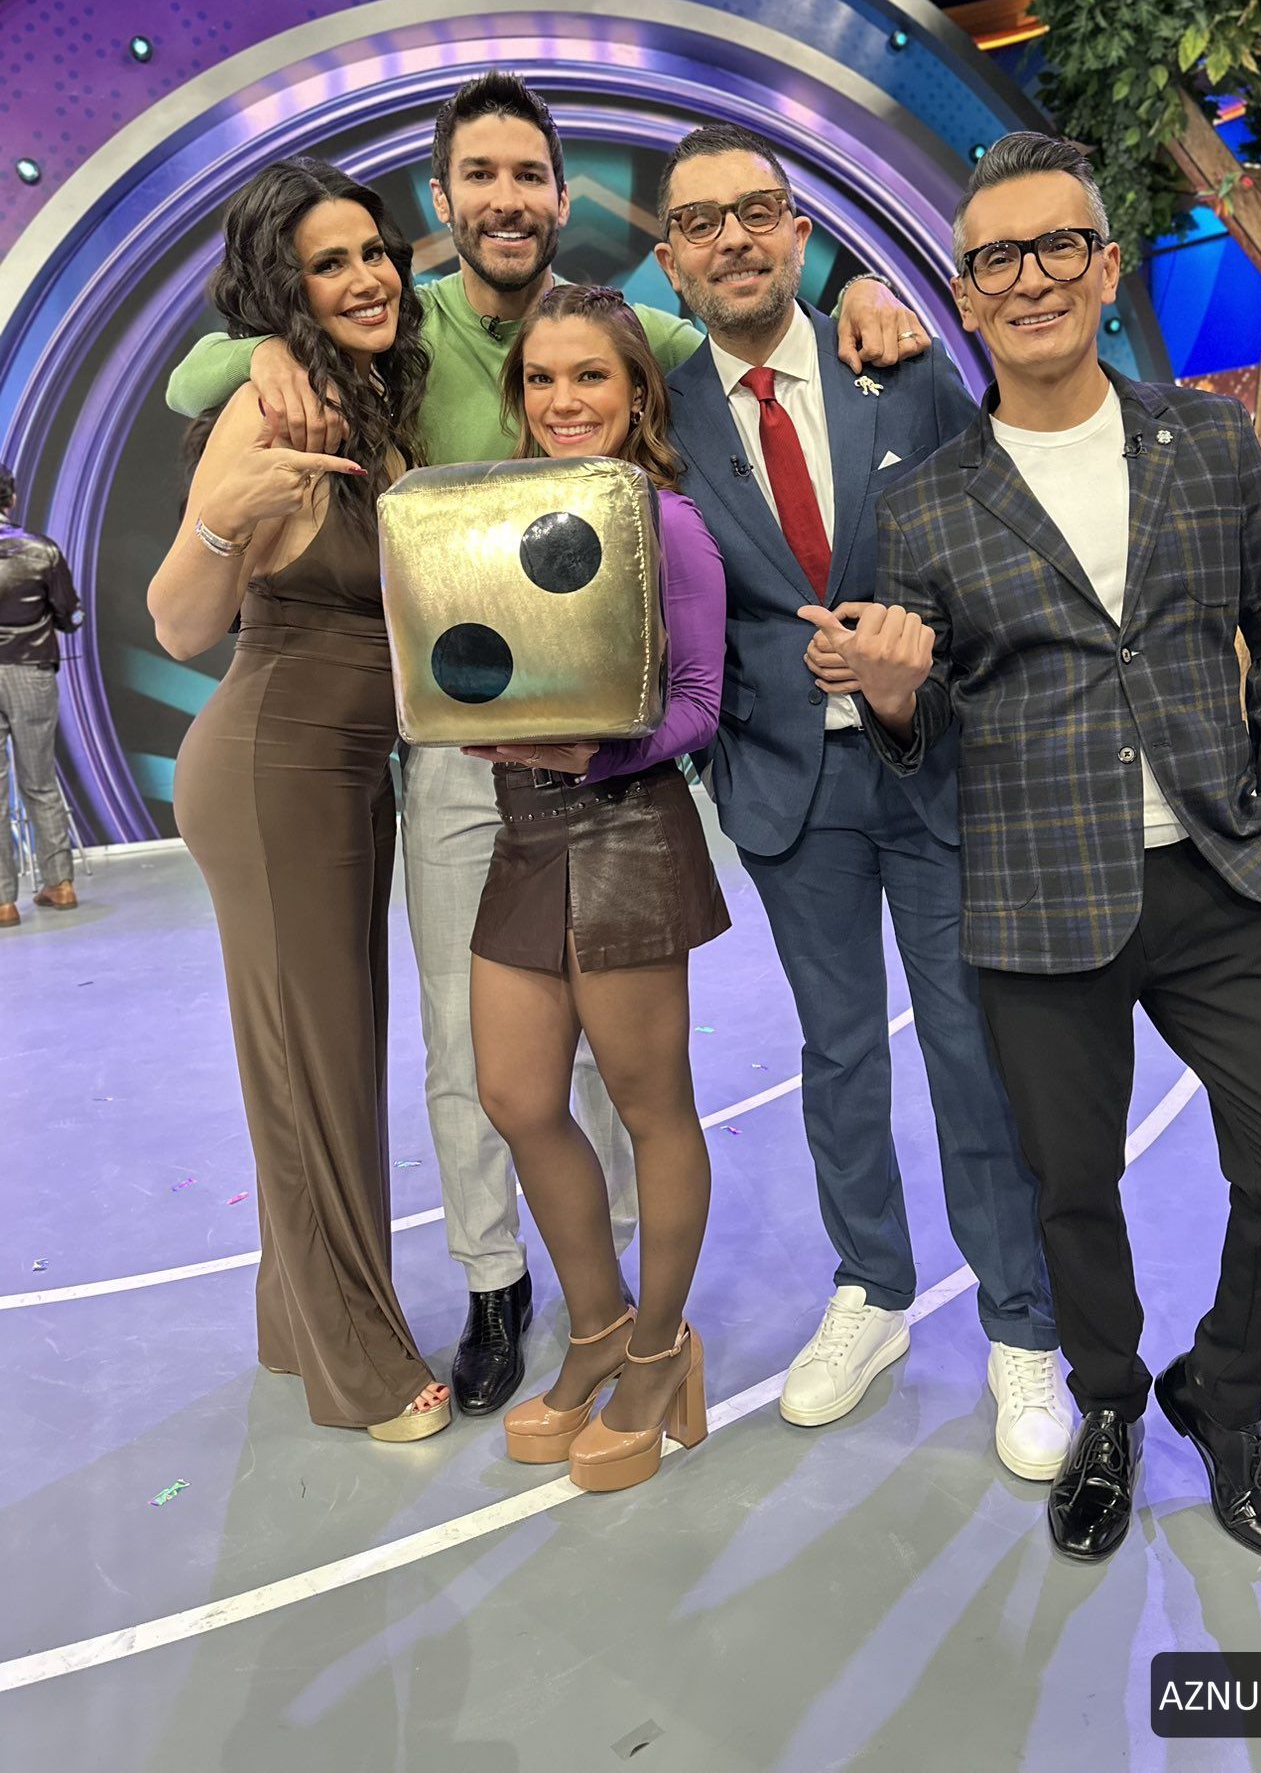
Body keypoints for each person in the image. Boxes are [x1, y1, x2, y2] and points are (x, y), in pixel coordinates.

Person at [165, 74, 926, 1420]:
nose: (506, 198)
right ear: (444, 201)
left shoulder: (623, 325)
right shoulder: (401, 325)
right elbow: (195, 372)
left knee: (620, 1073)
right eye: (481, 176)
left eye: (529, 174)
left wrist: (862, 291)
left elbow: (757, 320)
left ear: (561, 198)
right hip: (460, 762)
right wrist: (265, 351)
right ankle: (499, 1283)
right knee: (475, 1056)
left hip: (613, 769)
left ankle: (623, 1303)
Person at [811, 131, 1261, 1565]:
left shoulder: (1210, 441)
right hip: (1037, 896)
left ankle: (1222, 1397)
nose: (1032, 277)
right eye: (997, 258)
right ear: (965, 296)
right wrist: (893, 697)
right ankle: (1108, 1403)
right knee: (1070, 1187)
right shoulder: (924, 503)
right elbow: (922, 730)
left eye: (1060, 245)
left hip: (1228, 875)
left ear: (1107, 269)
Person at [653, 123, 1069, 1481]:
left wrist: (919, 666)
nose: (733, 239)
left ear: (800, 233)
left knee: (972, 1052)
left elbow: (994, 563)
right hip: (787, 786)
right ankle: (873, 1289)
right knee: (837, 1053)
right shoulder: (663, 415)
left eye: (758, 210)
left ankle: (1021, 1326)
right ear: (670, 257)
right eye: (701, 221)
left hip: (938, 766)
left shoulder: (900, 367)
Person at [148, 157, 452, 1441]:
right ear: (287, 289)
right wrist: (224, 518)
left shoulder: (373, 399)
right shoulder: (264, 408)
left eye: (373, 251)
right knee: (311, 1070)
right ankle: (362, 1367)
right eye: (331, 263)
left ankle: (297, 1318)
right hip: (273, 766)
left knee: (329, 1054)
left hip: (346, 771)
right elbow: (177, 623)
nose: (367, 276)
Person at [467, 285, 727, 1493]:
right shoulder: (489, 518)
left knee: (649, 1105)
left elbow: (702, 701)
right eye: (542, 377)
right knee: (516, 1094)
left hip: (626, 826)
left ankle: (663, 1351)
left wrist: (599, 753)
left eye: (590, 377)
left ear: (637, 393)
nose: (563, 399)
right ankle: (600, 1323)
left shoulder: (665, 521)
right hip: (522, 831)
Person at [0, 464, 83, 928]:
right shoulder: (42, 550)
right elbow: (70, 615)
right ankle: (60, 883)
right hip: (32, 672)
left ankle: (3, 901)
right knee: (40, 782)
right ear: (10, 498)